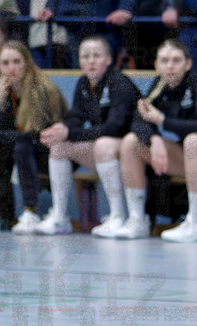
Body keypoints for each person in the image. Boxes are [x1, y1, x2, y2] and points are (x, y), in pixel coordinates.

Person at [112, 39, 197, 242]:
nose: (170, 65)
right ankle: (137, 219)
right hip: (191, 159)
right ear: (156, 65)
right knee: (131, 142)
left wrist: (163, 120)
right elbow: (138, 121)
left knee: (194, 141)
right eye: (164, 60)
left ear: (188, 64)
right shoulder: (159, 85)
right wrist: (155, 138)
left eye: (176, 60)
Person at [35, 36, 140, 235]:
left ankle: (118, 215)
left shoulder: (119, 82)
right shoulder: (84, 83)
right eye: (85, 56)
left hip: (132, 150)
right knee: (59, 147)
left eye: (96, 56)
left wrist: (71, 132)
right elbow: (76, 116)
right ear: (80, 62)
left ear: (108, 60)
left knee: (103, 143)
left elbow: (115, 128)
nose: (90, 61)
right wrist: (61, 130)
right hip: (106, 150)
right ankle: (60, 216)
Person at [0, 41, 67, 232]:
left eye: (16, 62)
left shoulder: (41, 88)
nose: (11, 68)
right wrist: (0, 100)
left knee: (22, 148)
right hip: (16, 145)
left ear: (27, 63)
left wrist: (0, 134)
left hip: (48, 149)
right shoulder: (2, 88)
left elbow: (35, 135)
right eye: (5, 63)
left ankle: (31, 211)